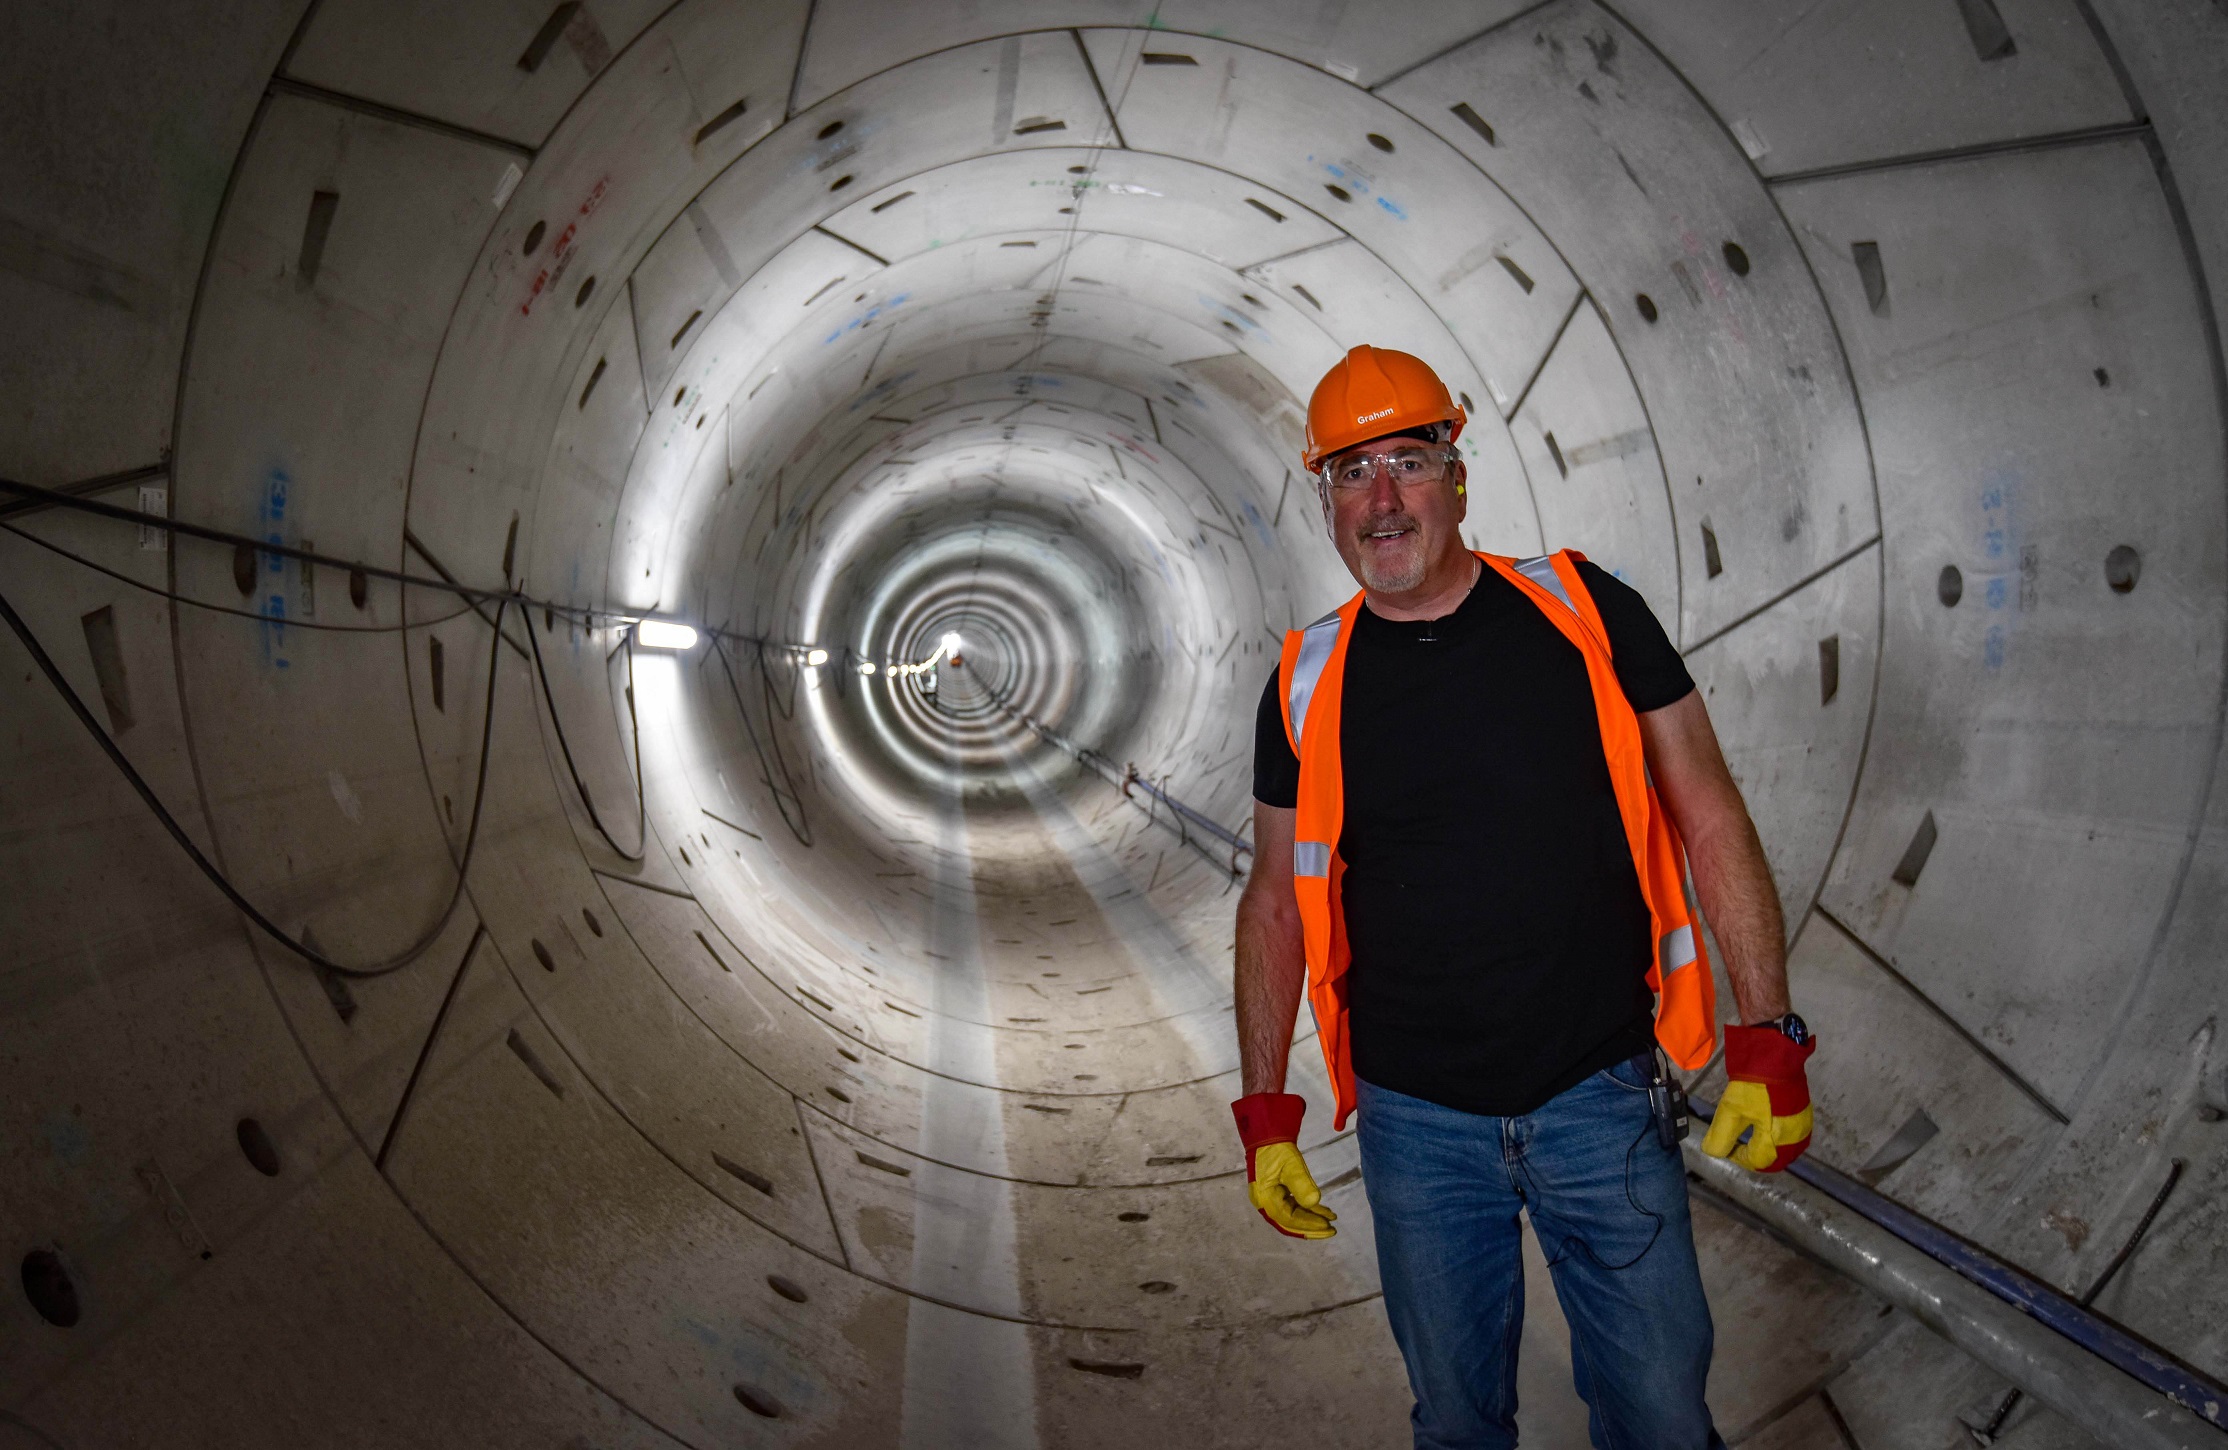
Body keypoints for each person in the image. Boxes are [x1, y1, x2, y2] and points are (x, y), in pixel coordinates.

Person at [1229, 345, 1819, 1450]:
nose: (1383, 500)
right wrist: (1265, 1111)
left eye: (1407, 461)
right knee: (1454, 1420)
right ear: (1323, 504)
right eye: (1351, 475)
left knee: (1656, 1414)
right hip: (1415, 1123)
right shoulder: (1305, 680)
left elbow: (1707, 810)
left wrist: (1767, 1030)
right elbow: (1269, 901)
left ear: (1457, 474)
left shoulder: (1584, 610)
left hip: (1597, 1094)